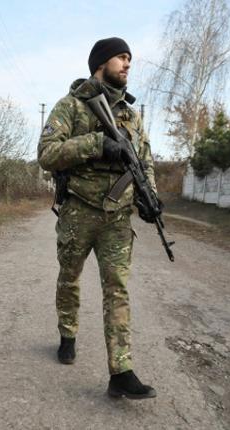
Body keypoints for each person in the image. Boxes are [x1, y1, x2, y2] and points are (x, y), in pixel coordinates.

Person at [38, 37, 158, 399]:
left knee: (117, 289)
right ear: (100, 63)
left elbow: (145, 161)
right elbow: (47, 154)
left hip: (118, 216)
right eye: (121, 58)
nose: (127, 64)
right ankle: (68, 333)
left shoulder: (131, 116)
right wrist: (97, 144)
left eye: (129, 59)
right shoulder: (71, 106)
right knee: (69, 278)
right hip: (78, 210)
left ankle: (120, 371)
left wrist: (150, 197)